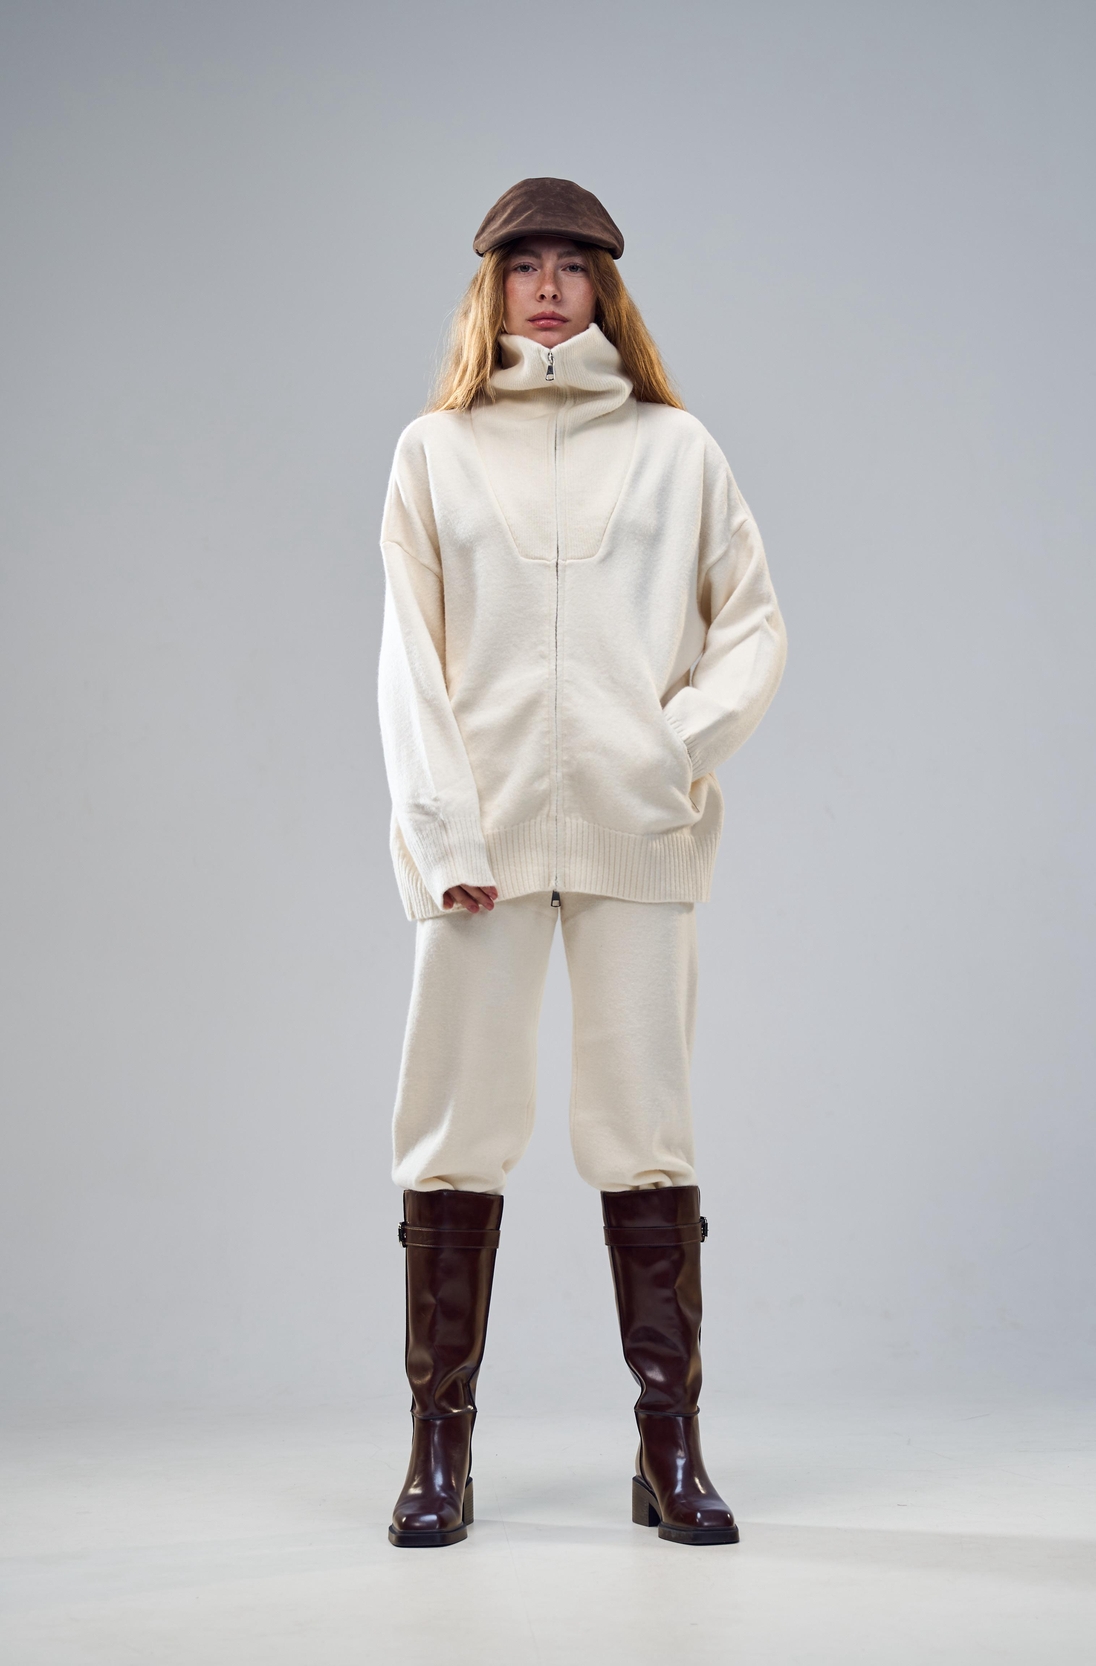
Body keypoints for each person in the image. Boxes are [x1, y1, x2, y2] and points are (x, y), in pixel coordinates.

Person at [377, 177, 787, 1548]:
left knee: (645, 1130)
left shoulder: (679, 450)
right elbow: (408, 665)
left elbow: (753, 627)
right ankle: (439, 1447)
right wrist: (445, 832)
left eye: (572, 264)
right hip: (481, 841)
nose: (547, 286)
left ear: (607, 287)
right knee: (453, 1130)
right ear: (489, 287)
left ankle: (670, 1444)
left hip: (635, 832)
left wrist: (673, 752)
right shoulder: (434, 452)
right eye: (524, 264)